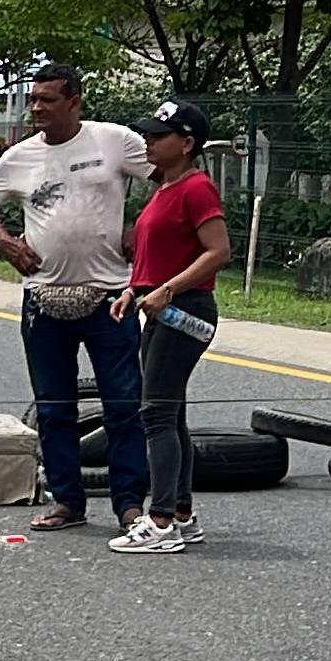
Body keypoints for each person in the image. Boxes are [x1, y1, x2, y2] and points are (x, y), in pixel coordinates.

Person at [0, 64, 151, 533]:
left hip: (110, 295)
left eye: (47, 99)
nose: (36, 108)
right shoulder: (20, 156)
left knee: (123, 403)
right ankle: (67, 501)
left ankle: (130, 504)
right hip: (44, 298)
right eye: (33, 99)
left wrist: (141, 225)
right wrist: (6, 243)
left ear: (74, 101)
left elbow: (168, 175)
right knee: (54, 405)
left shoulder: (111, 140)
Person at [109, 101, 232, 555]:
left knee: (156, 413)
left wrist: (167, 290)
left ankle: (159, 522)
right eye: (148, 135)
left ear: (187, 143)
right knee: (170, 411)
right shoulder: (164, 188)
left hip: (186, 310)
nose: (149, 141)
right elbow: (154, 257)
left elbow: (217, 251)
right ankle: (181, 514)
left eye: (159, 136)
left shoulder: (197, 188)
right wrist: (133, 289)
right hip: (160, 307)